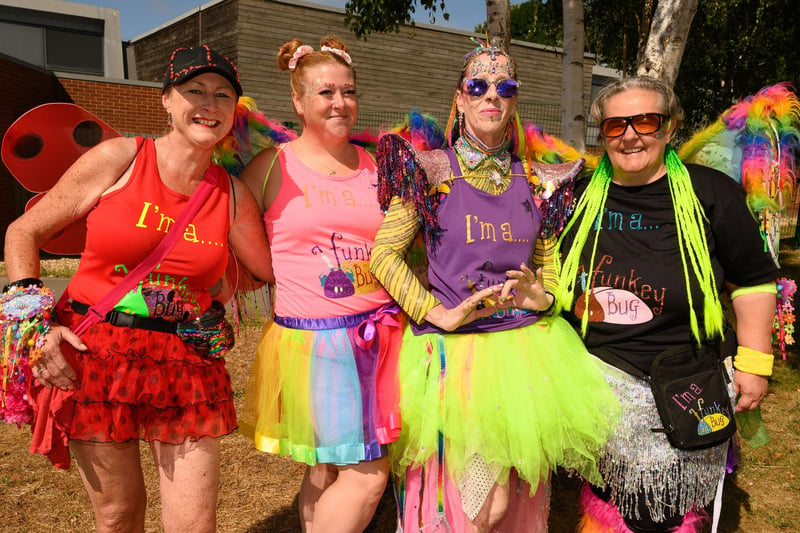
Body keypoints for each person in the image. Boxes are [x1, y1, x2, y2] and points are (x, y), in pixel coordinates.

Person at [2, 45, 273, 532]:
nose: (209, 104)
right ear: (167, 101)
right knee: (118, 516)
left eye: (223, 95)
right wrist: (37, 327)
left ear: (235, 113)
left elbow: (269, 269)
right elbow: (24, 232)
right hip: (97, 352)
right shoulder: (120, 157)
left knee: (195, 523)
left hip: (186, 361)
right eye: (194, 91)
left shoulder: (231, 194)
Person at [369, 41, 620, 532]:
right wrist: (432, 311)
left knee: (521, 504)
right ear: (460, 99)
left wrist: (543, 298)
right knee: (475, 507)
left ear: (514, 100)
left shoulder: (537, 179)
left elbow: (547, 264)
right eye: (478, 87)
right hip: (458, 359)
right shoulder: (432, 171)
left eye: (504, 88)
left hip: (528, 358)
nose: (492, 97)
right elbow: (383, 253)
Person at [556, 76, 778, 533]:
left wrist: (755, 362)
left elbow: (753, 279)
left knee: (666, 508)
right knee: (608, 501)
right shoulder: (577, 196)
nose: (631, 134)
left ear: (670, 127)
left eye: (645, 121)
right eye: (616, 125)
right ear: (603, 133)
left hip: (684, 379)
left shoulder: (710, 193)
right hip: (597, 381)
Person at [237, 36, 404, 533]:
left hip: (385, 333)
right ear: (297, 100)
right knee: (368, 473)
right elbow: (232, 239)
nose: (339, 103)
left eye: (348, 91)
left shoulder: (379, 166)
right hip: (318, 342)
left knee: (326, 464)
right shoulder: (271, 167)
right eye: (325, 92)